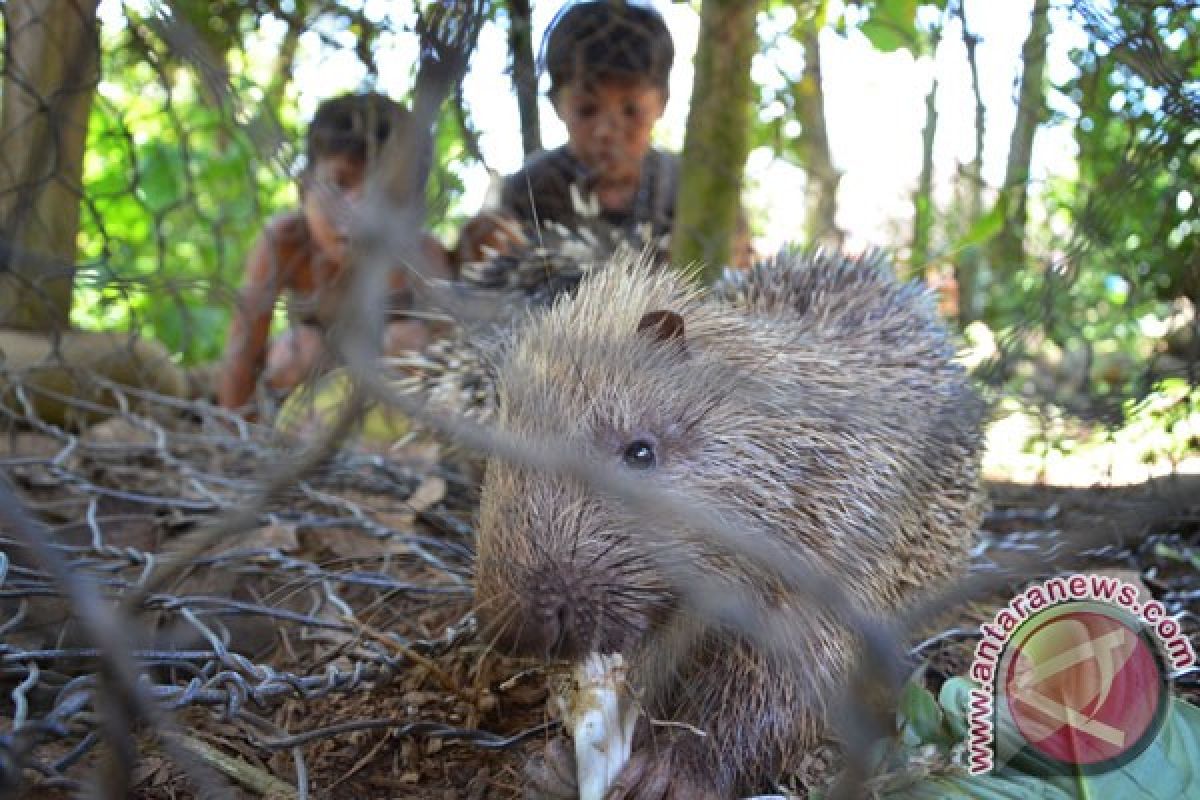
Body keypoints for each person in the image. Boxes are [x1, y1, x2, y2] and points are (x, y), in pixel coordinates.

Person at [456, 1, 750, 267]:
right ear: (557, 104)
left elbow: (739, 272)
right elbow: (485, 271)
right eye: (587, 110)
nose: (606, 131)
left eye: (631, 111)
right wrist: (483, 250)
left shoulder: (694, 190)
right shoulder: (528, 190)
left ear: (662, 103)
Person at [217, 92, 452, 416]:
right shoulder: (285, 242)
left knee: (408, 341)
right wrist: (231, 436)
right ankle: (288, 440)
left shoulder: (421, 254)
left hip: (394, 403)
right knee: (295, 351)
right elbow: (242, 351)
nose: (359, 211)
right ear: (304, 190)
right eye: (339, 185)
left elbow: (452, 353)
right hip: (312, 394)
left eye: (384, 193)